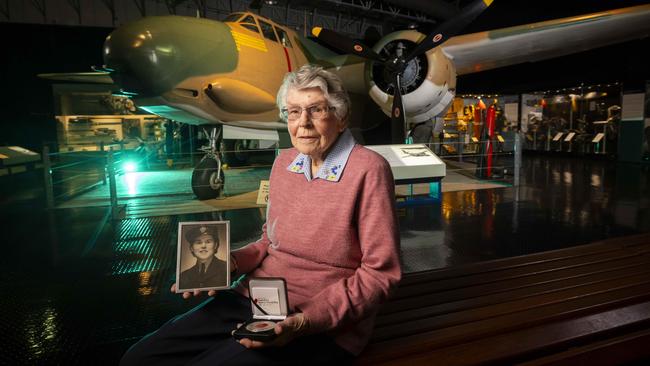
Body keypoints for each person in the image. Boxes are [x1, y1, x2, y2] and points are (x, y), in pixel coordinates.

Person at [120, 64, 401, 365]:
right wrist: (229, 264)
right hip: (255, 298)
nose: (302, 123)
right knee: (138, 358)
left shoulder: (368, 169)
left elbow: (380, 274)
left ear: (341, 117)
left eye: (315, 110)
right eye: (293, 112)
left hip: (319, 320)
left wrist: (306, 321)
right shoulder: (284, 164)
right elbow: (270, 241)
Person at [178, 224, 228, 290]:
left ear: (215, 245)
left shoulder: (226, 268)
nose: (203, 246)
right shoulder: (183, 276)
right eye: (198, 242)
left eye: (208, 241)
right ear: (191, 248)